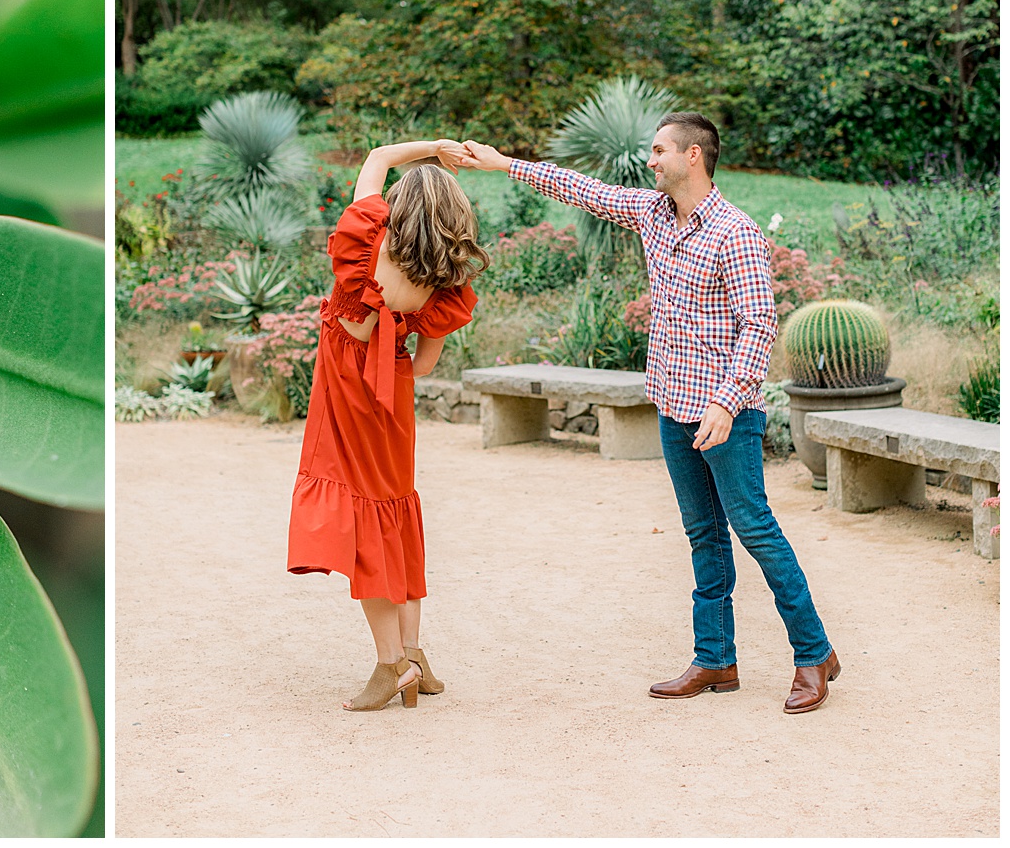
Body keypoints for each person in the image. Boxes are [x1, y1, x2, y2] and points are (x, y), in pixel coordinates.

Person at [459, 113, 840, 714]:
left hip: (724, 414)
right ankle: (715, 660)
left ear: (693, 155)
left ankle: (814, 653)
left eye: (659, 150)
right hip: (672, 405)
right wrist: (503, 163)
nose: (650, 159)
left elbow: (759, 325)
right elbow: (582, 190)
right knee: (703, 535)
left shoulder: (736, 233)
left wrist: (727, 400)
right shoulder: (652, 213)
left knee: (755, 530)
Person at [286, 138, 485, 711]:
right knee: (395, 513)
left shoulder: (367, 235)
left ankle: (391, 664)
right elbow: (423, 365)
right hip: (392, 396)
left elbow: (376, 158)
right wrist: (394, 346)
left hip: (346, 390)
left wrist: (435, 148)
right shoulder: (445, 282)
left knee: (364, 522)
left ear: (400, 205)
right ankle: (415, 655)